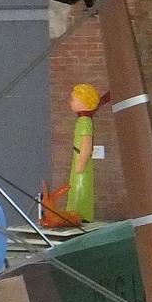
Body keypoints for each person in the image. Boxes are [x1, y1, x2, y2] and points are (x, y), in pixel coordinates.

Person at [64, 82, 104, 223]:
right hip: (78, 156)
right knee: (76, 186)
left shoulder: (84, 122)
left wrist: (81, 163)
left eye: (74, 99)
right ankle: (75, 212)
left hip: (80, 158)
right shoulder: (83, 120)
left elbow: (86, 144)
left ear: (84, 102)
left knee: (80, 186)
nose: (71, 102)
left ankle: (80, 212)